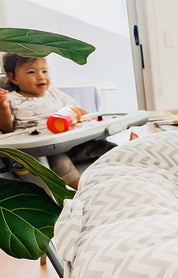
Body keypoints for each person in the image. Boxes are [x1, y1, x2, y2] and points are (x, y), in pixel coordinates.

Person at [0, 53, 115, 189]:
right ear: (12, 77)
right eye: (31, 72)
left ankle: (131, 155)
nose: (41, 76)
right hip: (44, 152)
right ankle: (83, 191)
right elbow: (8, 130)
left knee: (102, 146)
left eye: (44, 71)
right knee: (61, 164)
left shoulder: (55, 94)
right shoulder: (11, 99)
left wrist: (92, 120)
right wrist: (3, 108)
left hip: (69, 143)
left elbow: (74, 109)